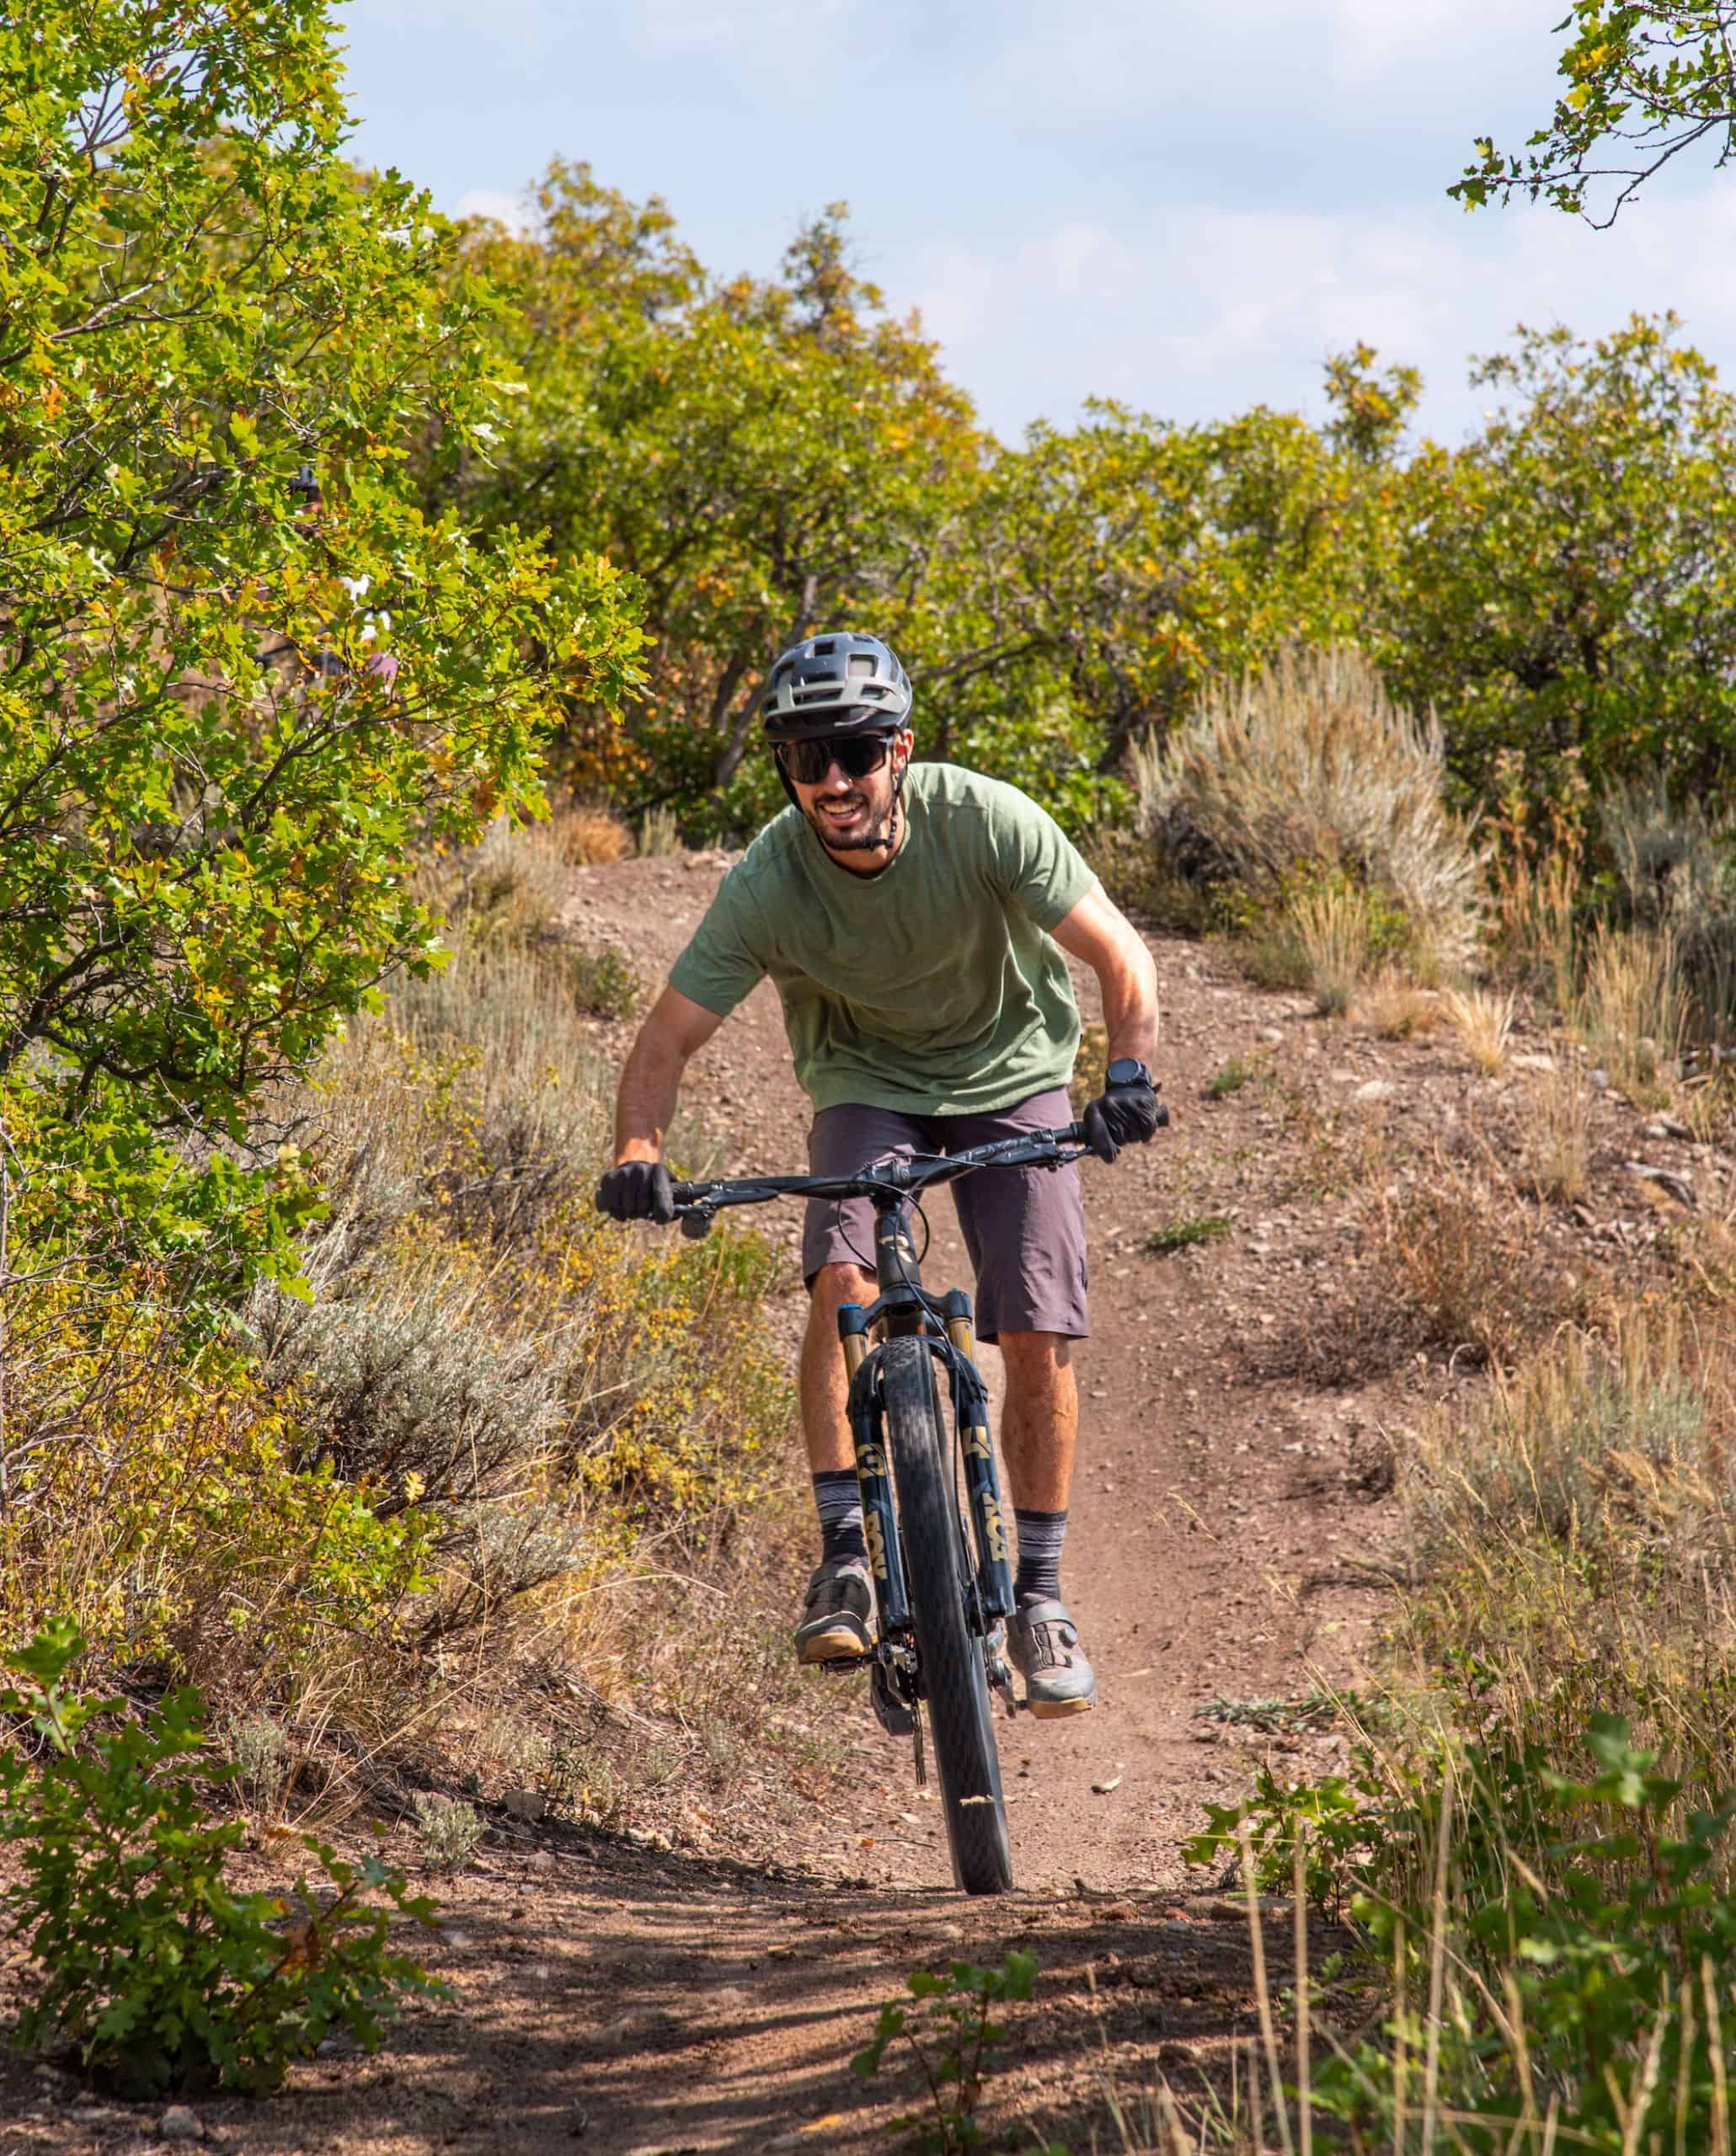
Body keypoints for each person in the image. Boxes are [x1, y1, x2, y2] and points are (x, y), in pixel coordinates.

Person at [596, 632, 1160, 1720]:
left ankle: (1039, 1595)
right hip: (865, 1081)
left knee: (1036, 1324)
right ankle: (845, 1554)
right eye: (805, 760)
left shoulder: (983, 819)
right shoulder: (768, 878)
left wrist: (1125, 1074)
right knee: (843, 1284)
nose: (833, 782)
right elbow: (664, 1042)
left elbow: (1119, 957)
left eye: (853, 751)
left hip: (1013, 1070)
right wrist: (637, 1152)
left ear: (897, 749)